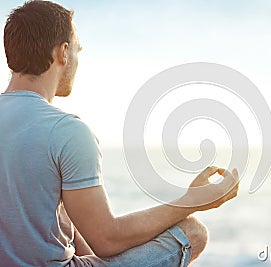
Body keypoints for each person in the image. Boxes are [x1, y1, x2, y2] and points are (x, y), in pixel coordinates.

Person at [0, 1, 239, 266]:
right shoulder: (66, 131)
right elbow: (106, 239)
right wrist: (191, 200)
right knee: (193, 233)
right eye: (79, 50)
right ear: (63, 53)